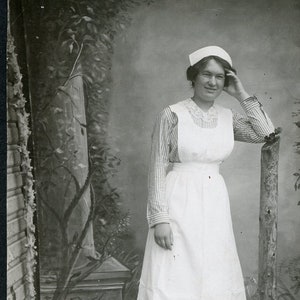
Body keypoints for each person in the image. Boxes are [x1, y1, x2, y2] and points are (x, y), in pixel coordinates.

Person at [137, 46, 275, 300]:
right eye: (206, 74)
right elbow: (157, 166)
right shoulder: (171, 115)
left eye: (220, 76)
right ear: (194, 77)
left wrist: (241, 93)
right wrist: (159, 219)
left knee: (213, 274)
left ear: (227, 81)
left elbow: (265, 132)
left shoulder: (227, 118)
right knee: (174, 276)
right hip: (178, 200)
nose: (212, 82)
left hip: (214, 202)